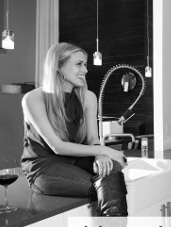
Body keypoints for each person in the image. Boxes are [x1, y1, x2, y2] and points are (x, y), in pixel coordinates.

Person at [21, 42, 128, 216]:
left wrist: (101, 155)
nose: (85, 70)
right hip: (44, 166)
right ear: (59, 67)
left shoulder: (88, 97)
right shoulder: (34, 99)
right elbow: (57, 146)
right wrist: (104, 150)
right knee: (103, 186)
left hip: (74, 160)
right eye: (79, 64)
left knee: (112, 167)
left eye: (85, 64)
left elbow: (93, 137)